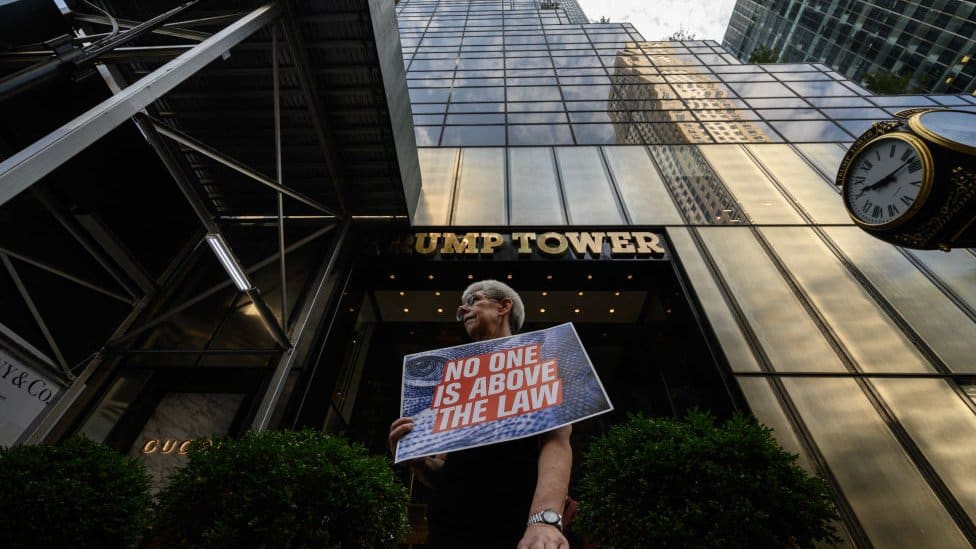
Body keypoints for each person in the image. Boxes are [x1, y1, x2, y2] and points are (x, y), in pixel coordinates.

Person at [389, 279, 572, 549]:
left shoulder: (539, 361)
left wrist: (543, 522)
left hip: (516, 533)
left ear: (504, 306)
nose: (462, 310)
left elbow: (556, 442)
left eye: (473, 300)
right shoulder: (453, 379)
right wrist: (417, 461)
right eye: (461, 307)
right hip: (446, 533)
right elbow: (447, 470)